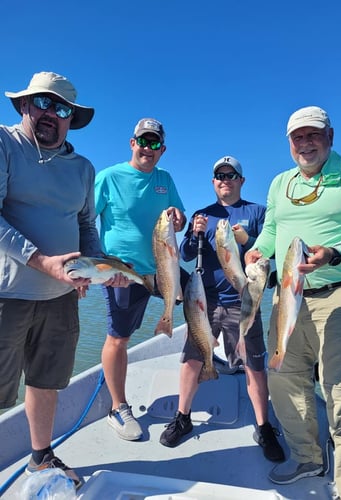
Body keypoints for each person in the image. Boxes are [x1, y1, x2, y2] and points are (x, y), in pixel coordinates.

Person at [245, 106, 341, 499]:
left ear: (330, 136)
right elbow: (270, 232)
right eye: (298, 137)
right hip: (285, 296)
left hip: (336, 296)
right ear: (289, 143)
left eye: (313, 134)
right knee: (284, 378)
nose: (306, 143)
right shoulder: (280, 183)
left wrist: (333, 253)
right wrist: (256, 252)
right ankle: (307, 458)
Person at [0, 71, 114, 487]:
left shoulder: (82, 168)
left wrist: (98, 268)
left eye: (62, 108)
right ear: (25, 105)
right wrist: (41, 260)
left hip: (62, 296)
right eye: (44, 103)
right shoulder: (4, 144)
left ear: (71, 119)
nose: (52, 114)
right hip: (6, 294)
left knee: (47, 381)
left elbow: (86, 226)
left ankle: (40, 457)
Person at [159, 155, 285, 463]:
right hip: (204, 301)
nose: (225, 179)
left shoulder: (257, 212)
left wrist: (247, 238)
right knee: (192, 358)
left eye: (231, 175)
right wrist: (195, 233)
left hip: (244, 302)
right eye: (219, 175)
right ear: (213, 181)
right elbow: (186, 254)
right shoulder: (202, 214)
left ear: (241, 180)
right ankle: (183, 416)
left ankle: (263, 426)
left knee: (254, 365)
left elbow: (270, 250)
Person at [95, 117, 186, 441]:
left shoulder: (165, 179)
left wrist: (179, 217)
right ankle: (117, 408)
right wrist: (98, 267)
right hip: (125, 274)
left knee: (204, 300)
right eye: (143, 141)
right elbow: (83, 219)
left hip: (163, 270)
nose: (148, 148)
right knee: (119, 337)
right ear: (133, 143)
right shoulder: (109, 177)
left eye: (155, 143)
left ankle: (213, 357)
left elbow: (179, 216)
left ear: (163, 149)